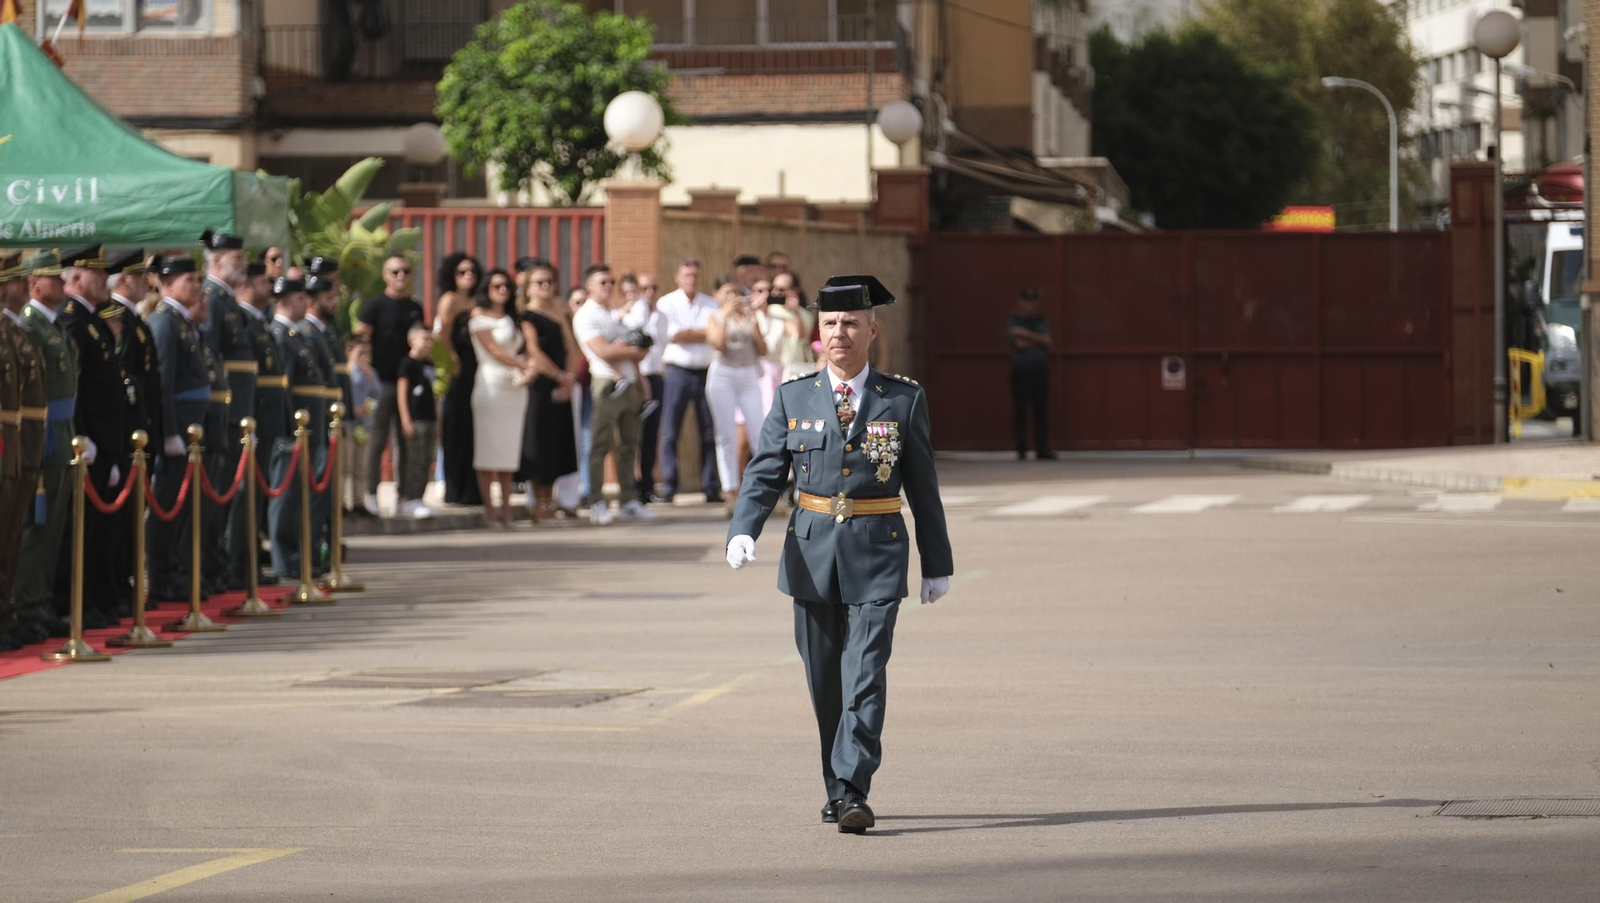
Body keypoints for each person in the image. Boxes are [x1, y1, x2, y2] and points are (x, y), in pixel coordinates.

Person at [725, 275, 954, 835]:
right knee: (825, 681)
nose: (840, 333)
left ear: (872, 330)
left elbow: (923, 485)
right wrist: (743, 528)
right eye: (830, 323)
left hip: (877, 552)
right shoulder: (793, 396)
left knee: (865, 675)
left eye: (851, 323)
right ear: (816, 334)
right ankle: (836, 787)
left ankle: (854, 788)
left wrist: (937, 561)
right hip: (810, 554)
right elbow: (764, 473)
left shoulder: (903, 398)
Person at [55, 245, 129, 625]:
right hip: (88, 446)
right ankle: (76, 603)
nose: (106, 280)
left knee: (102, 533)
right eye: (98, 274)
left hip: (107, 447)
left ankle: (99, 599)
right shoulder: (72, 319)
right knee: (82, 533)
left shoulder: (92, 320)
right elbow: (75, 389)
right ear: (78, 278)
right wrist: (83, 438)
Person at [146, 256, 214, 602]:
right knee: (167, 505)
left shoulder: (182, 321)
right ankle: (161, 575)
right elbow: (163, 380)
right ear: (168, 283)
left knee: (184, 507)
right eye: (190, 280)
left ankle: (175, 570)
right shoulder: (165, 322)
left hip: (192, 428)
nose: (197, 286)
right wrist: (168, 431)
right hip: (177, 430)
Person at [572, 263, 654, 526]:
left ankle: (628, 499)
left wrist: (631, 354)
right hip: (606, 382)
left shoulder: (614, 313)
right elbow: (603, 352)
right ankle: (597, 501)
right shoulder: (586, 315)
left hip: (629, 383)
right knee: (600, 444)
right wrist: (629, 349)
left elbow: (642, 347)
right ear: (589, 286)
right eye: (603, 282)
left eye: (611, 282)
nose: (608, 286)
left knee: (630, 444)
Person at [268, 277, 332, 579]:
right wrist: (290, 429)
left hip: (311, 427)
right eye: (297, 298)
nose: (304, 303)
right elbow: (286, 388)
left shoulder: (292, 335)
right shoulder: (280, 335)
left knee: (301, 493)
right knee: (286, 496)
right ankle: (284, 557)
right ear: (283, 301)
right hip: (296, 429)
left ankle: (298, 553)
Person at [355, 254, 425, 516]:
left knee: (407, 438)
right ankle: (371, 493)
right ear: (385, 275)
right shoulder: (374, 305)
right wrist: (366, 373)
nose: (400, 276)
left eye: (405, 271)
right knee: (377, 439)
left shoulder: (415, 307)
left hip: (408, 381)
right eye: (394, 272)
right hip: (381, 382)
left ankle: (405, 496)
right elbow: (360, 342)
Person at [0, 252, 45, 649]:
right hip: (6, 447)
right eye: (16, 281)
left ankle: (5, 613)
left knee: (11, 536)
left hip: (17, 449)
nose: (20, 287)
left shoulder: (13, 332)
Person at [516, 260, 579, 520]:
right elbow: (534, 351)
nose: (546, 286)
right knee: (537, 441)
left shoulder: (561, 311)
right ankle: (538, 501)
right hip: (540, 384)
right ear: (528, 287)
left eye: (550, 282)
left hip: (562, 383)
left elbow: (573, 349)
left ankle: (551, 501)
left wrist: (569, 379)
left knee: (557, 441)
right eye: (540, 282)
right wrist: (559, 376)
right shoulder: (526, 315)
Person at [655, 259, 720, 503]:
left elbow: (713, 335)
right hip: (677, 371)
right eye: (686, 275)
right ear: (677, 277)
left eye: (694, 275)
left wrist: (692, 333)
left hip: (705, 370)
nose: (690, 279)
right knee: (671, 431)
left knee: (708, 431)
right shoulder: (666, 303)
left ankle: (710, 486)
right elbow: (674, 335)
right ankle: (669, 486)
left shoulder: (710, 303)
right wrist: (702, 333)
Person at [468, 269, 527, 527]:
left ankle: (507, 511)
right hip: (491, 384)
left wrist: (526, 368)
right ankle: (490, 512)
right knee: (487, 450)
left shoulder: (513, 317)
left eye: (506, 286)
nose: (502, 290)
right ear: (487, 289)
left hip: (515, 388)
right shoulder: (478, 316)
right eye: (496, 286)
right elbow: (493, 350)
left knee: (508, 451)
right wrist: (525, 366)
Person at [706, 283, 768, 515]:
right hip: (723, 374)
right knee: (726, 435)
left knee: (758, 432)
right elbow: (718, 343)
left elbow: (762, 349)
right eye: (729, 295)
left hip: (749, 374)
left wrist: (753, 321)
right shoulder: (714, 316)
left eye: (738, 295)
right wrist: (724, 315)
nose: (735, 299)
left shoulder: (750, 317)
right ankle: (730, 492)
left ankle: (763, 489)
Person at [434, 252, 483, 508]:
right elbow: (443, 334)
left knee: (474, 429)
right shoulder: (449, 300)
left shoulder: (477, 301)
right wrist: (453, 361)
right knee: (456, 428)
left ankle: (472, 489)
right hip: (458, 369)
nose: (468, 276)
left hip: (479, 369)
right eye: (462, 271)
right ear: (452, 275)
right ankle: (454, 489)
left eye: (472, 271)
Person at [622, 271, 666, 504]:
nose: (649, 293)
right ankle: (629, 486)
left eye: (653, 288)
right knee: (631, 435)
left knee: (651, 435)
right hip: (636, 376)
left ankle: (647, 486)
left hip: (655, 376)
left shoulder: (662, 316)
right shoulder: (631, 314)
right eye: (645, 288)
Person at [395, 325, 439, 520]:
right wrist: (405, 419)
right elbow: (402, 393)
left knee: (427, 460)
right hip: (415, 418)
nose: (428, 344)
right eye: (424, 339)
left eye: (430, 340)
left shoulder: (430, 363)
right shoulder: (406, 363)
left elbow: (434, 394)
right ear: (412, 341)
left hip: (430, 418)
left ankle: (419, 497)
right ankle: (409, 498)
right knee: (414, 460)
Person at [1008, 287, 1054, 461]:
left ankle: (1042, 449)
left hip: (1040, 369)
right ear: (1021, 301)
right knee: (1021, 410)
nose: (1030, 305)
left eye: (1033, 301)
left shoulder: (1040, 320)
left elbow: (1048, 341)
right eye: (1027, 301)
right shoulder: (1015, 319)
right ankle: (1021, 449)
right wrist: (1037, 339)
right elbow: (1017, 343)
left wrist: (1026, 335)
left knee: (1041, 411)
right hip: (1021, 369)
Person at [345, 337, 378, 517]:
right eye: (360, 353)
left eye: (367, 353)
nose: (363, 357)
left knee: (361, 466)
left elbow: (378, 394)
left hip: (364, 425)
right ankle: (343, 502)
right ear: (349, 352)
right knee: (345, 466)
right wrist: (352, 409)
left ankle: (359, 501)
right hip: (349, 424)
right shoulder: (346, 371)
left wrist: (370, 375)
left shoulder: (369, 373)